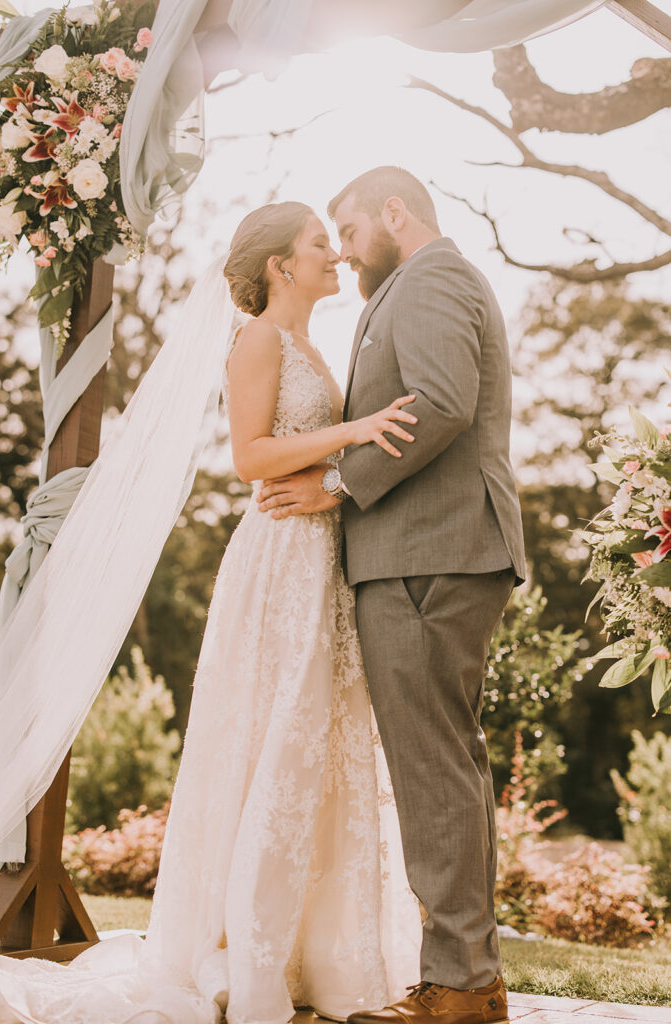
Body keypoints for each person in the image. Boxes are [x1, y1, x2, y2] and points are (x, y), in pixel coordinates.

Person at [0, 202, 422, 1023]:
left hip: (319, 558)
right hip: (276, 562)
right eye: (318, 244)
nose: (334, 254)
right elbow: (249, 457)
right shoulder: (257, 339)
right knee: (278, 734)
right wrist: (356, 432)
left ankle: (312, 957)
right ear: (279, 268)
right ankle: (248, 959)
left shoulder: (309, 347)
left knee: (315, 743)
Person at [257, 167, 527, 1024]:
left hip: (430, 555)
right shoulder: (416, 285)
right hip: (428, 553)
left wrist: (338, 484)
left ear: (394, 213)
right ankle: (469, 979)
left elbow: (441, 402)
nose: (340, 248)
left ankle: (457, 986)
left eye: (347, 228)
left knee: (433, 768)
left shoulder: (431, 277)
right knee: (447, 762)